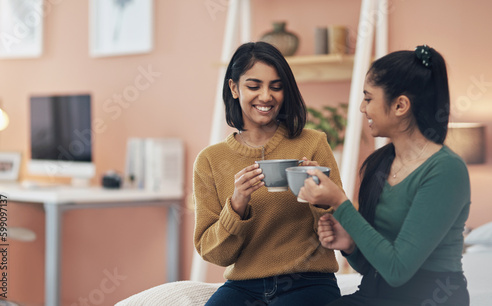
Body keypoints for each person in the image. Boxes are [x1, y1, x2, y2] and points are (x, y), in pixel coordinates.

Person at [299, 45, 470, 306]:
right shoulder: (379, 164)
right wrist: (350, 246)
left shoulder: (446, 170)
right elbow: (375, 267)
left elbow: (397, 270)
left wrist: (341, 204)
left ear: (400, 105)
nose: (362, 108)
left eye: (368, 98)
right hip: (375, 294)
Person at [193, 41, 342, 305]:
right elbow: (213, 253)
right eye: (254, 86)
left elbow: (340, 230)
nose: (266, 96)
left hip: (308, 280)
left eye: (276, 86)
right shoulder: (210, 160)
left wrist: (319, 196)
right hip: (243, 287)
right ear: (234, 88)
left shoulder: (313, 144)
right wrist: (237, 206)